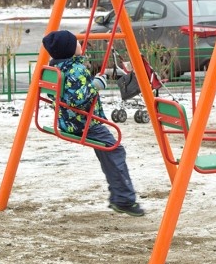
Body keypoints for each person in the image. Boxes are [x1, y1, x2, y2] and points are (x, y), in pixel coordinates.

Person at [42, 29, 144, 217]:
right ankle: (124, 199)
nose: (81, 44)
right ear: (70, 50)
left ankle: (119, 195)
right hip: (84, 124)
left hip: (67, 121)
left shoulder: (56, 68)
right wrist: (95, 86)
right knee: (115, 149)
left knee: (108, 152)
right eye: (77, 43)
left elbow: (57, 94)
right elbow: (77, 100)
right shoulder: (76, 70)